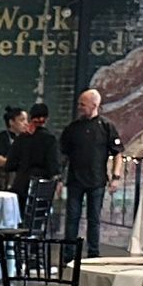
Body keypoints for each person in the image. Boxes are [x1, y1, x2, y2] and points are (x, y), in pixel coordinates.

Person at [58, 87, 122, 258]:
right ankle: (69, 254)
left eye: (83, 104)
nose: (79, 107)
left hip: (97, 180)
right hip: (75, 180)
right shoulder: (73, 128)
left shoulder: (106, 126)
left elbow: (118, 153)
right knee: (72, 219)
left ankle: (93, 254)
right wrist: (59, 178)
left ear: (94, 105)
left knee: (94, 220)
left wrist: (116, 176)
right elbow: (63, 155)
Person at [7, 101, 63, 202]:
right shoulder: (50, 139)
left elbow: (9, 164)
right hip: (40, 188)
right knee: (37, 216)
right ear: (46, 119)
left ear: (30, 117)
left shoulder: (20, 138)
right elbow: (53, 166)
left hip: (20, 185)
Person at [0, 107, 27, 187]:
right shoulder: (1, 138)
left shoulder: (27, 139)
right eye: (22, 120)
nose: (26, 123)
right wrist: (18, 162)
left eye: (26, 120)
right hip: (3, 182)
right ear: (11, 122)